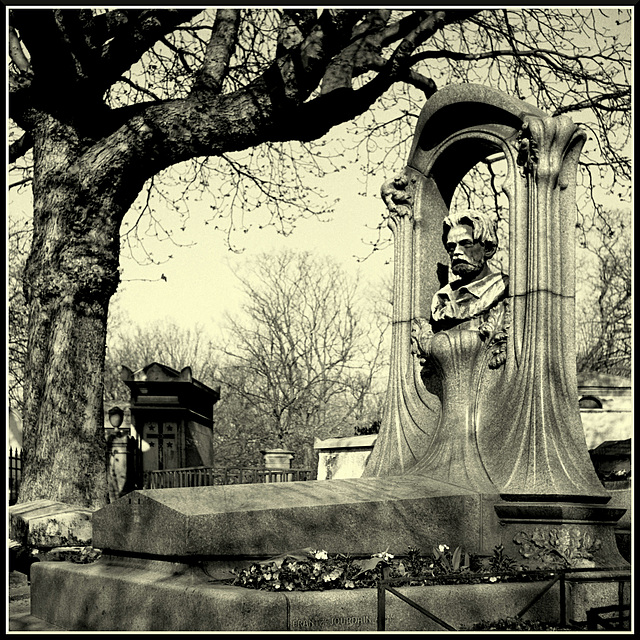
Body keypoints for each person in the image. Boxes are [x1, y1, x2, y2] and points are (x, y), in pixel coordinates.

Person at [430, 209, 508, 332]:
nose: (456, 252)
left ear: (488, 249)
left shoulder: (502, 287)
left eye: (466, 244)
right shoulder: (442, 298)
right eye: (451, 247)